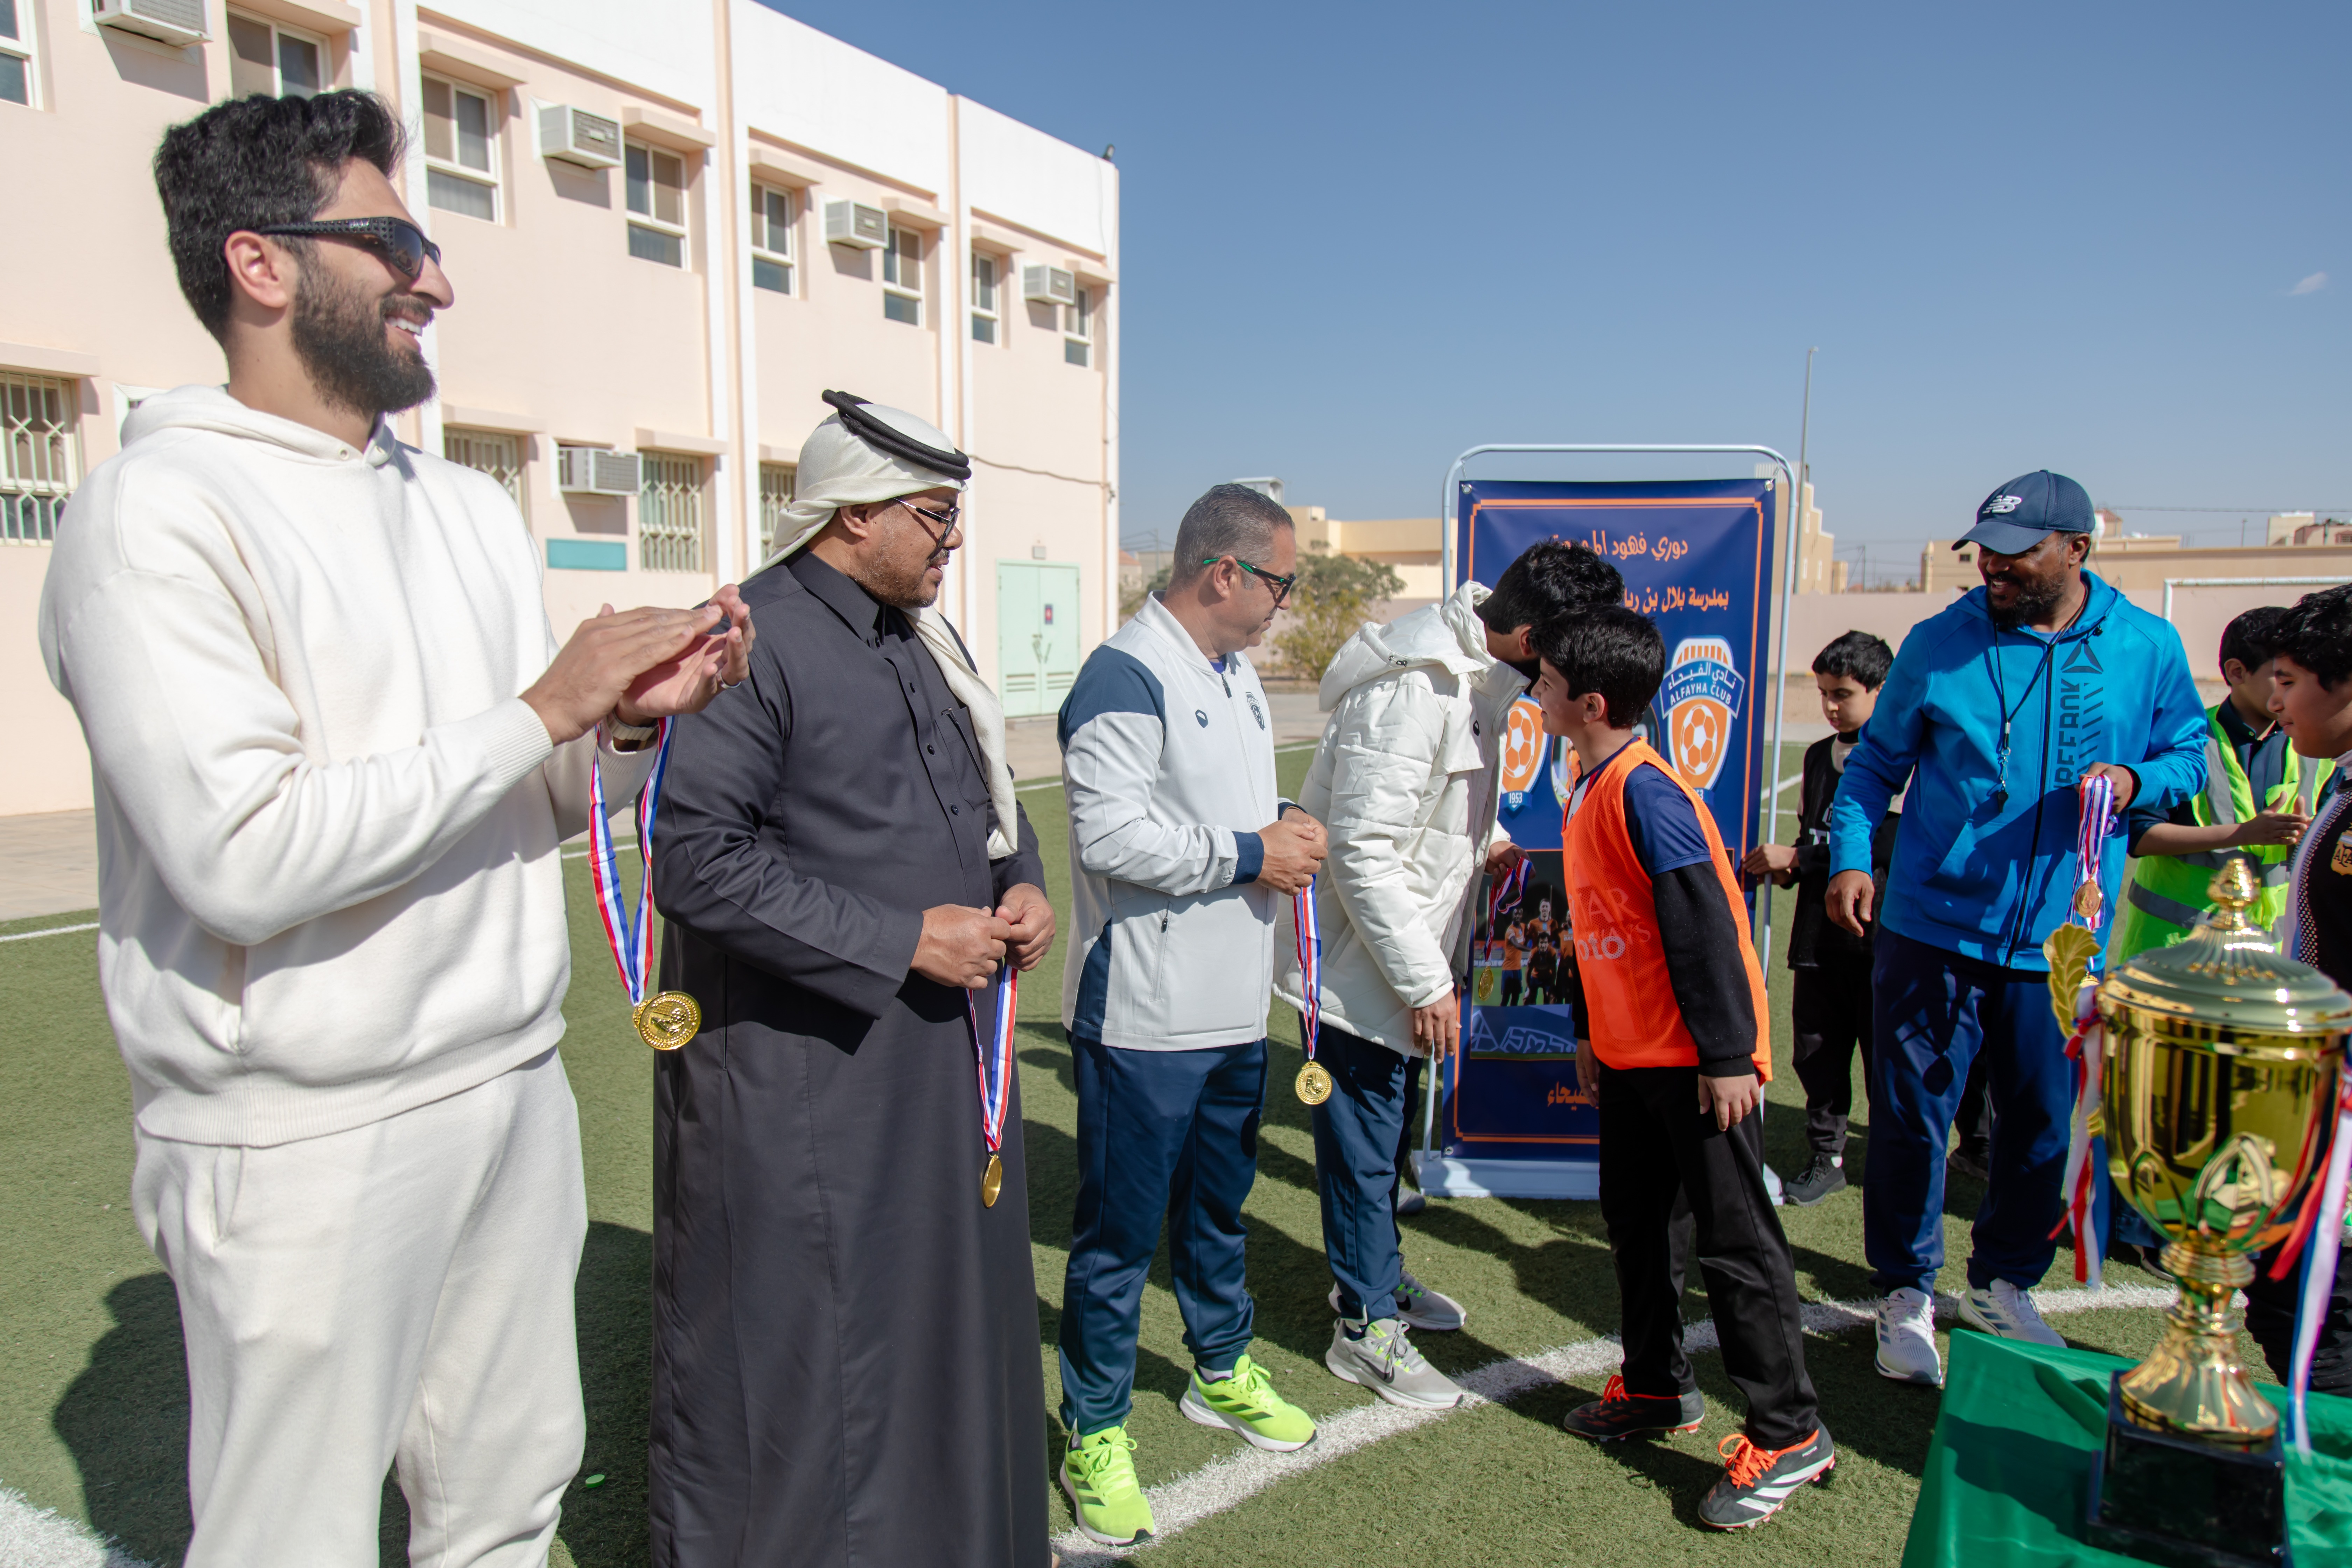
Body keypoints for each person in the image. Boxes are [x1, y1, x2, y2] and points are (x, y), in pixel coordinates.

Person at [37, 91, 748, 1567]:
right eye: (396, 238)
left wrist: (623, 722)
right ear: (262, 264)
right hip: (295, 1130)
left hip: (508, 1090)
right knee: (285, 1540)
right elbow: (243, 857)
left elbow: (539, 794)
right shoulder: (150, 514)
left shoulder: (470, 513)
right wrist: (545, 709)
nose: (436, 277)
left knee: (506, 1506)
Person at [646, 394, 1056, 1568]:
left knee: (942, 1337)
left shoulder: (925, 638)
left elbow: (989, 807)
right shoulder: (748, 639)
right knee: (816, 1365)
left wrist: (1019, 882)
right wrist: (901, 940)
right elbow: (695, 858)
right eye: (936, 516)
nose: (953, 540)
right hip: (808, 1086)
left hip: (940, 1067)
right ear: (854, 512)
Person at [1825, 470, 2207, 1388]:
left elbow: (2188, 751)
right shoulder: (1938, 642)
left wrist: (2134, 781)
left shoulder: (2148, 647)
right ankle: (1906, 1291)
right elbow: (1875, 766)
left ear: (2075, 550)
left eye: (2019, 551)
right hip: (1929, 926)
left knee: (2040, 1126)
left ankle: (2003, 1282)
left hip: (2062, 940)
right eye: (1986, 551)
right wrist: (1848, 853)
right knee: (1912, 1117)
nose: (1994, 567)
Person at [1275, 540, 1624, 1405]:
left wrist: (1489, 846)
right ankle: (1363, 1329)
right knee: (1362, 1146)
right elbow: (1359, 849)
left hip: (1403, 954)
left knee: (1386, 1141)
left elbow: (1426, 804)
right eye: (1568, 646)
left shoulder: (1482, 660)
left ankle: (1375, 1279)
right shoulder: (1415, 687)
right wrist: (1425, 980)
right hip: (1365, 969)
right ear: (1532, 633)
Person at [1054, 484, 1326, 1548]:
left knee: (1218, 1211)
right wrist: (1254, 850)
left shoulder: (1236, 672)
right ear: (1225, 572)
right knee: (1117, 1237)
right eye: (1280, 582)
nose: (1282, 605)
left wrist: (1274, 829)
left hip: (1227, 1008)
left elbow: (1220, 818)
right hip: (1139, 1012)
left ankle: (1219, 1367)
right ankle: (1095, 1424)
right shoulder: (1124, 673)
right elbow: (1111, 838)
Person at [1540, 608, 1833, 1532]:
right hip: (1631, 1059)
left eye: (1545, 683)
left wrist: (1723, 1055)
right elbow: (1596, 933)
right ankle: (1660, 1386)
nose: (1534, 692)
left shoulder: (1648, 792)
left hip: (1696, 1061)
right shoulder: (1588, 781)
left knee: (1736, 1245)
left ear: (1590, 703)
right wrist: (1590, 1030)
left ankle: (1789, 1431)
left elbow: (1707, 927)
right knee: (1639, 1228)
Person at [1741, 631, 1900, 1206]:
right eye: (1825, 694)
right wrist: (1790, 865)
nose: (1832, 706)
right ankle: (1826, 1156)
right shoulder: (1816, 755)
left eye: (1845, 694)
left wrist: (1802, 860)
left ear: (1880, 691)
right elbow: (1813, 833)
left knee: (1886, 1052)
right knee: (1816, 1049)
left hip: (1880, 937)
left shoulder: (1900, 756)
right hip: (1817, 934)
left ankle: (1895, 1160)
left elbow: (1889, 843)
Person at [2246, 585, 2352, 1391]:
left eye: (2289, 681)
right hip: (2317, 1105)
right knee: (2282, 1307)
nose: (2274, 702)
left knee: (2325, 1325)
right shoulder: (2340, 791)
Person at [2114, 606, 2324, 959]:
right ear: (2237, 672)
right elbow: (2140, 837)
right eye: (2283, 679)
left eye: (2299, 679)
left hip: (2267, 959)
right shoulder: (2183, 741)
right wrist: (2245, 833)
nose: (2291, 692)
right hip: (2173, 952)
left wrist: (2309, 840)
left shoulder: (2315, 749)